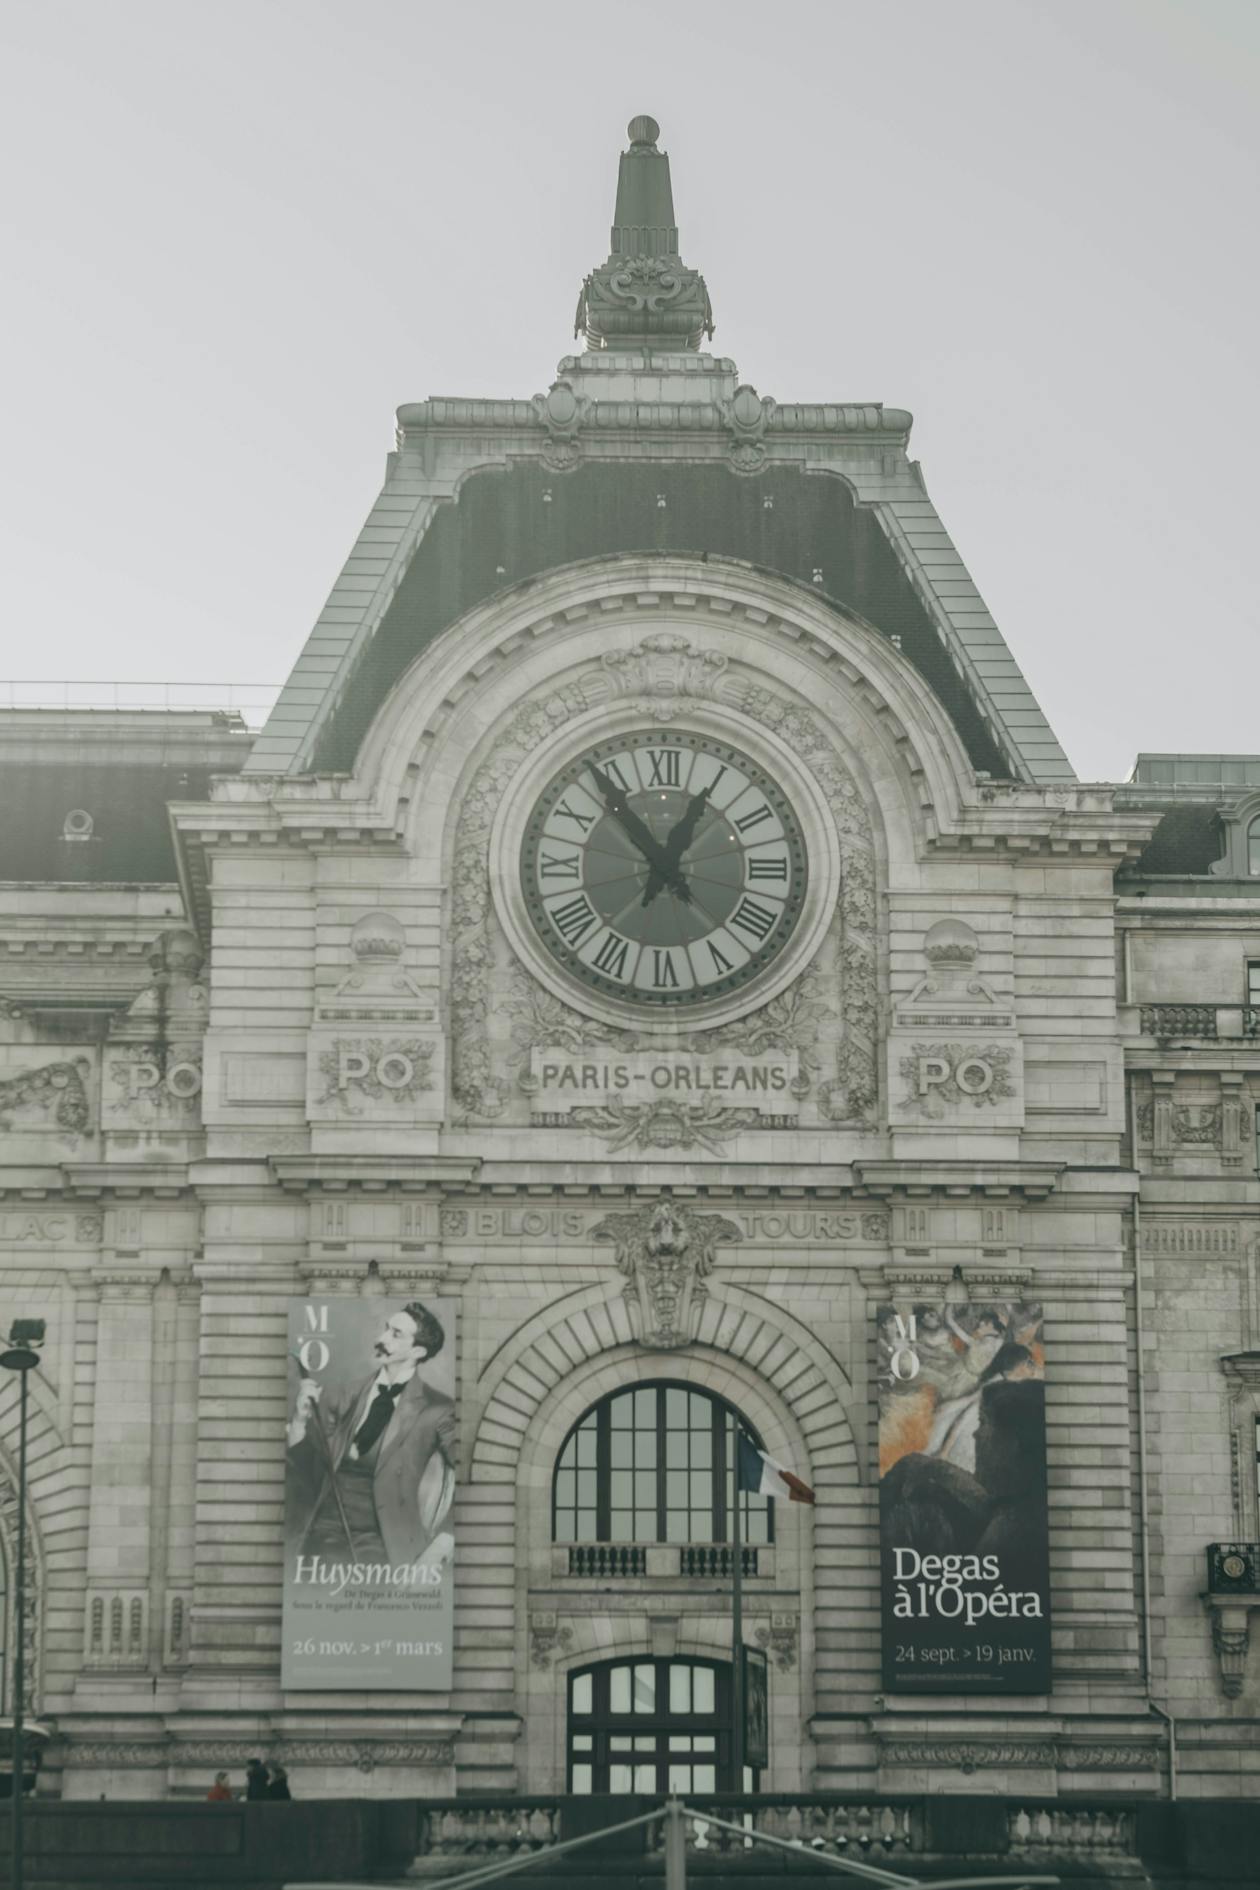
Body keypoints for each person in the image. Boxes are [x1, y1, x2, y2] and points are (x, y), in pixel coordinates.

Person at [287, 1301, 455, 1569]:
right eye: (386, 1329)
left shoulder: (438, 1409)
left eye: (395, 1334)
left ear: (418, 1350)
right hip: (321, 1544)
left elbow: (472, 1479)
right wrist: (299, 1420)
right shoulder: (342, 1395)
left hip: (385, 1550)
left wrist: (442, 1545)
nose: (381, 1339)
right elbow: (309, 1475)